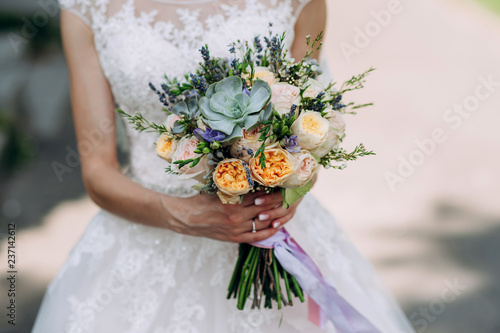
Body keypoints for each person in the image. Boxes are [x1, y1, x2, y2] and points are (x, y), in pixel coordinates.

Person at [32, 0, 415, 332]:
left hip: (267, 232)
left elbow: (310, 123)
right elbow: (98, 172)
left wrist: (288, 185)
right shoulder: (87, 8)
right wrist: (182, 214)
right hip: (144, 237)